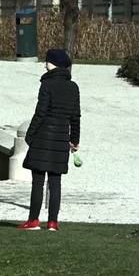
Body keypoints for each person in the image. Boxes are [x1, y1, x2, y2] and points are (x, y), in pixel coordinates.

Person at [18, 49, 81, 231]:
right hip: (61, 139)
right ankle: (53, 222)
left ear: (52, 63)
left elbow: (40, 113)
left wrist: (30, 135)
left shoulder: (47, 85)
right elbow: (75, 117)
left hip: (43, 138)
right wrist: (74, 140)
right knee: (56, 182)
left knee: (37, 182)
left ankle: (33, 220)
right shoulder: (73, 87)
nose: (44, 64)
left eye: (47, 61)